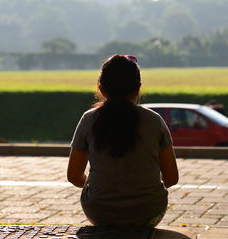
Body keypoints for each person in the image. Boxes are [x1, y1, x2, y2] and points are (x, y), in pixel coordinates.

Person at [67, 54, 179, 227]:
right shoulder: (154, 120)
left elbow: (74, 176)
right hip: (148, 214)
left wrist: (101, 186)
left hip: (100, 213)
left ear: (101, 89)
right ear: (138, 88)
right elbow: (171, 178)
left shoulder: (89, 120)